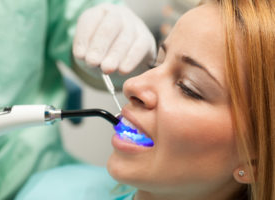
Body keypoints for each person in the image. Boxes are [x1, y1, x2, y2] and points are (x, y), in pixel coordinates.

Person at [16, 0, 275, 199]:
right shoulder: (50, 190)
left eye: (188, 88)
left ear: (254, 163)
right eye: (157, 63)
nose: (132, 85)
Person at [0, 1, 156, 199]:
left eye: (187, 88)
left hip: (20, 170)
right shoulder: (54, 188)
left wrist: (111, 47)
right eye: (161, 61)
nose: (134, 88)